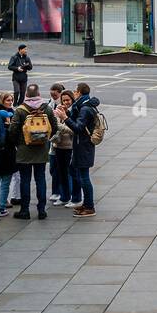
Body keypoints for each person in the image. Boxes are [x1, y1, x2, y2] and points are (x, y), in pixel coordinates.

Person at [8, 84, 61, 220]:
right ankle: (41, 210)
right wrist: (45, 140)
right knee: (40, 179)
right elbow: (54, 127)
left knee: (25, 180)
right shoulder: (47, 109)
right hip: (41, 150)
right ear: (38, 93)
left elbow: (13, 130)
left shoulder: (20, 110)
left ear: (26, 94)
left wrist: (18, 143)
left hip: (24, 149)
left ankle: (25, 210)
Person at [66, 82, 101, 216]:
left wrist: (65, 118)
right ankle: (86, 204)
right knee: (81, 175)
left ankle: (90, 207)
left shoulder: (85, 108)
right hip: (82, 145)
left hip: (84, 146)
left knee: (84, 177)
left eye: (75, 91)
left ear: (79, 92)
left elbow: (78, 127)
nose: (74, 93)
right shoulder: (82, 105)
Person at [0, 92, 17, 219]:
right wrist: (8, 126)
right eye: (8, 100)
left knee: (5, 181)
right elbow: (6, 137)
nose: (10, 102)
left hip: (7, 153)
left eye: (11, 100)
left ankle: (1, 206)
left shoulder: (11, 112)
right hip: (1, 153)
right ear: (2, 100)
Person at [51, 89, 78, 207]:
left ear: (72, 100)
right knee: (61, 173)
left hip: (69, 147)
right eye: (63, 100)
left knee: (70, 173)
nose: (66, 102)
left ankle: (74, 197)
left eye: (68, 100)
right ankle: (64, 196)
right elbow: (54, 124)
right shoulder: (59, 110)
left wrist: (61, 124)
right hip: (58, 145)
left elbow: (74, 130)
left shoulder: (74, 112)